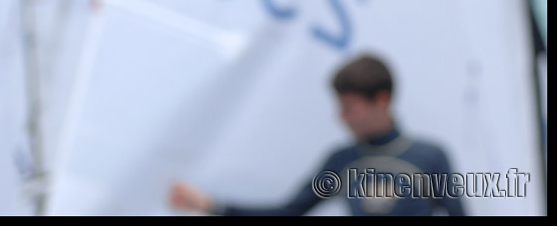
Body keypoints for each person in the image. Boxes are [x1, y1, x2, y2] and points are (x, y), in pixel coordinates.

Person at [168, 54, 464, 217]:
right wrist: (212, 206)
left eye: (350, 108)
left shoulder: (429, 156)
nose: (341, 117)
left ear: (381, 100)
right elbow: (289, 213)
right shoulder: (342, 161)